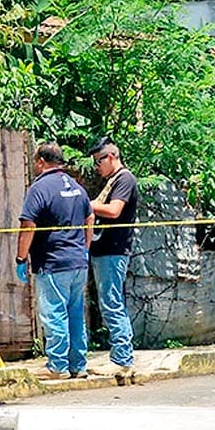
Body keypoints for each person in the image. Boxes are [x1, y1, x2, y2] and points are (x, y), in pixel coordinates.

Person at [16, 142, 94, 380]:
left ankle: (57, 366)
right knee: (75, 314)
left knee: (54, 313)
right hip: (78, 262)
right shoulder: (76, 186)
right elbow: (90, 217)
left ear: (41, 161)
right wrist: (84, 248)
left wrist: (21, 258)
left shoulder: (39, 189)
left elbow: (28, 224)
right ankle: (78, 365)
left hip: (53, 262)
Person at [88, 138, 138, 376]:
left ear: (110, 157)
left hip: (114, 249)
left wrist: (86, 204)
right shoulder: (111, 181)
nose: (97, 167)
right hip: (103, 248)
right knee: (109, 301)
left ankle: (122, 358)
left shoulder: (124, 179)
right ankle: (121, 356)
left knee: (112, 302)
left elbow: (114, 210)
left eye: (99, 161)